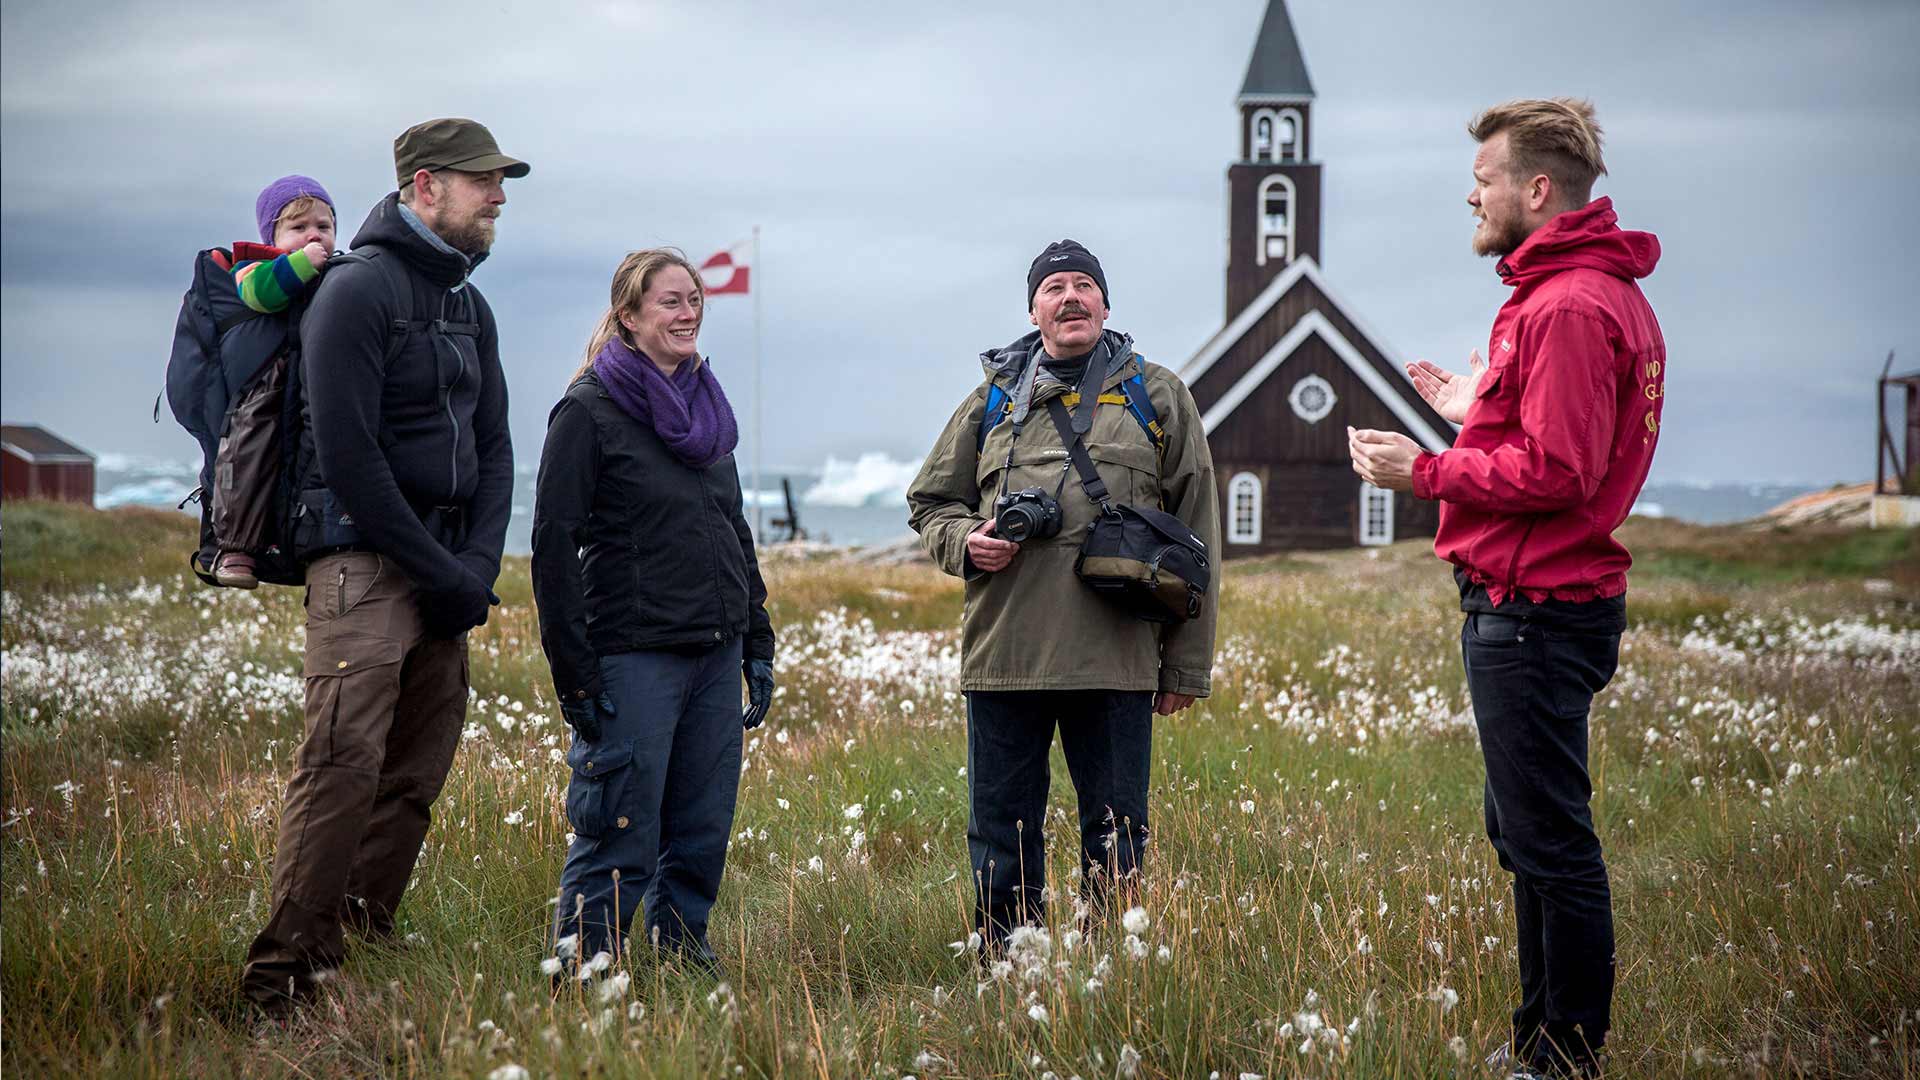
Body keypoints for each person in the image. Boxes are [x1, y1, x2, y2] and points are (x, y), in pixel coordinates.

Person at [1348, 99, 1664, 1078]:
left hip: (1533, 609)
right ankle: (1539, 1038)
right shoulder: (1566, 293)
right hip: (1533, 602)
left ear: (1535, 190)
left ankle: (1562, 1055)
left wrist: (1426, 470)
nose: (1470, 195)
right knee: (1521, 828)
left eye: (1483, 179)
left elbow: (1559, 474)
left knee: (1549, 842)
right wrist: (1471, 403)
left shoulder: (1569, 303)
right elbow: (1543, 436)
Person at [241, 118, 528, 1010]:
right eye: (485, 181)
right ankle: (281, 975)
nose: (500, 197)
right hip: (362, 566)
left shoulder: (468, 305)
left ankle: (357, 941)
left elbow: (497, 448)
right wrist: (442, 571)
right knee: (340, 763)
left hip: (445, 567)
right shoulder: (357, 290)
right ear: (425, 185)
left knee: (414, 771)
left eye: (500, 182)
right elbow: (351, 456)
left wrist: (473, 567)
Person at [906, 239, 1220, 951]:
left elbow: (1200, 535)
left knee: (1116, 829)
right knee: (999, 828)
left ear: (1106, 304)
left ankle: (1111, 969)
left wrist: (1184, 669)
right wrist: (967, 543)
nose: (1070, 297)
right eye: (1055, 288)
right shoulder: (990, 400)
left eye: (1085, 285)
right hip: (1004, 656)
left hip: (1115, 658)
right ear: (1033, 308)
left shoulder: (1156, 392)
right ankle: (1008, 968)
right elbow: (930, 503)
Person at [532, 249, 776, 977]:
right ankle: (584, 973)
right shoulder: (589, 409)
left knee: (702, 826)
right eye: (670, 301)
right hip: (633, 654)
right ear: (630, 316)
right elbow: (552, 545)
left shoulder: (707, 409)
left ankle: (680, 954)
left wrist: (756, 637)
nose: (688, 312)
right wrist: (574, 674)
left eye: (694, 299)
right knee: (620, 828)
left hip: (714, 649)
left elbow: (732, 527)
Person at [209, 175, 338, 589]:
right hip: (266, 386)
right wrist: (303, 263)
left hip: (311, 381)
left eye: (324, 226)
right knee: (251, 453)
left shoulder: (337, 270)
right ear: (272, 234)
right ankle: (235, 548)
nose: (313, 235)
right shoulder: (254, 266)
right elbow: (260, 295)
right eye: (298, 229)